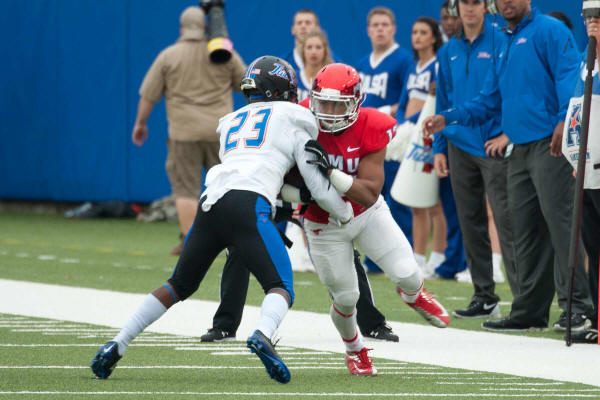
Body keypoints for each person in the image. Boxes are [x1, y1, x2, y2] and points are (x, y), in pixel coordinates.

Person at [90, 56, 353, 384]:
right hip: (248, 204)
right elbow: (317, 186)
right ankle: (263, 334)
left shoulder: (231, 121)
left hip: (210, 202)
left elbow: (253, 167)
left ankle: (118, 342)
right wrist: (345, 214)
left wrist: (295, 196)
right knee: (281, 286)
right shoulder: (295, 117)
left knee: (177, 285)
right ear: (281, 91)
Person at [423, 0, 594, 332]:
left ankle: (577, 307)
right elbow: (490, 98)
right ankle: (530, 311)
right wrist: (449, 117)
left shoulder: (550, 30)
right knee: (524, 231)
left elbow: (570, 77)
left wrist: (564, 120)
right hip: (519, 148)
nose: (507, 2)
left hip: (550, 144)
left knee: (561, 226)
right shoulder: (503, 40)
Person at [302, 63, 450, 376]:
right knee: (346, 298)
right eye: (323, 103)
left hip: (365, 213)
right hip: (323, 224)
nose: (328, 113)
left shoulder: (372, 124)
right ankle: (355, 349)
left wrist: (329, 172)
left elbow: (369, 193)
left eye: (338, 105)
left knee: (408, 272)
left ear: (356, 103)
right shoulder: (298, 119)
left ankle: (413, 294)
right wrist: (294, 194)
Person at [131, 6, 247, 255]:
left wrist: (140, 123)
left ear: (181, 28)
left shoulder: (168, 56)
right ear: (206, 27)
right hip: (220, 132)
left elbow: (148, 95)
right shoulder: (223, 53)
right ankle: (231, 241)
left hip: (184, 133)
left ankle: (191, 243)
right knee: (226, 187)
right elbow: (245, 83)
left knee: (185, 190)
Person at [432, 0, 514, 319]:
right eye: (463, 3)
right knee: (470, 222)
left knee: (508, 221)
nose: (469, 8)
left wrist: (508, 132)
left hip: (494, 144)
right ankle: (484, 296)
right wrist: (440, 147)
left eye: (475, 2)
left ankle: (524, 300)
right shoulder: (447, 51)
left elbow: (512, 90)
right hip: (458, 145)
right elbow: (443, 102)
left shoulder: (501, 39)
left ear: (486, 6)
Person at [396, 17, 467, 279]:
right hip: (412, 137)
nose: (417, 36)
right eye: (414, 31)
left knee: (433, 201)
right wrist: (402, 124)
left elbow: (434, 104)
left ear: (434, 37)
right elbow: (403, 102)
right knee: (416, 200)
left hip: (429, 136)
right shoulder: (413, 67)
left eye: (423, 32)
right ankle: (418, 257)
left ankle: (438, 256)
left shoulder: (438, 64)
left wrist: (415, 123)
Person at [355, 6, 415, 275]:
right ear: (368, 30)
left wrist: (383, 111)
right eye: (375, 25)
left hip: (392, 140)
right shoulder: (362, 64)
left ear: (393, 29)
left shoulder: (403, 60)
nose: (380, 29)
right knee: (369, 200)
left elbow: (410, 100)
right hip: (365, 141)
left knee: (396, 200)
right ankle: (374, 258)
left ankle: (404, 257)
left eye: (385, 25)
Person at [561, 13, 600, 344]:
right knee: (593, 246)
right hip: (587, 169)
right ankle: (599, 319)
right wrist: (578, 155)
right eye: (588, 18)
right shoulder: (586, 62)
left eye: (599, 18)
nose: (592, 23)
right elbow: (579, 110)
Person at [297, 30, 334, 102]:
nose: (314, 52)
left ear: (325, 50)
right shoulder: (294, 78)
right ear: (303, 51)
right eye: (309, 47)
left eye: (318, 47)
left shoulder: (332, 79)